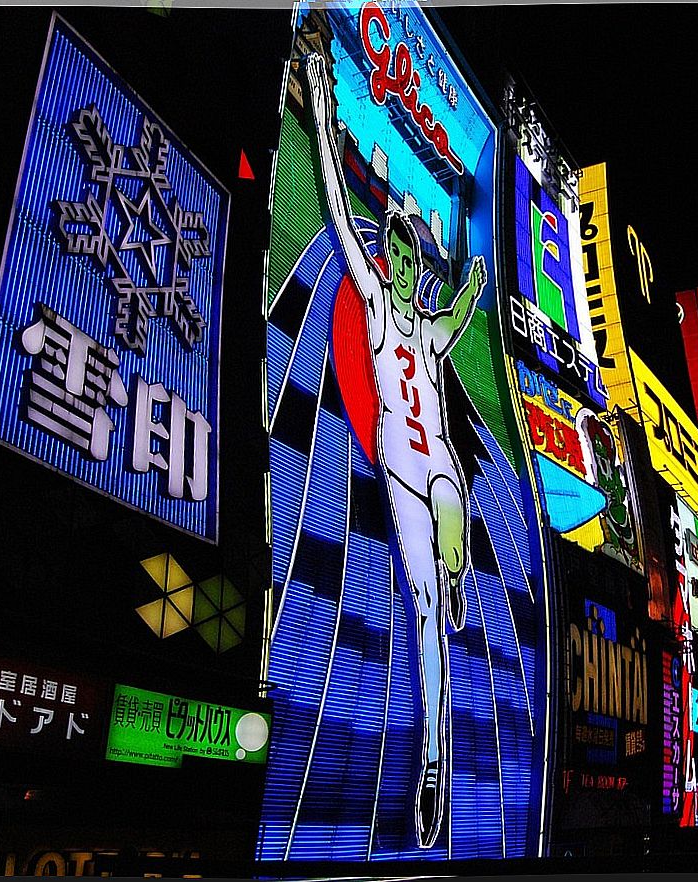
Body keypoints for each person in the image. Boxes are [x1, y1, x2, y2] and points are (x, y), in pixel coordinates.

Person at [303, 52, 487, 849]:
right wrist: (319, 107)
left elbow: (457, 318)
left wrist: (476, 290)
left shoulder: (429, 328)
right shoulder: (379, 306)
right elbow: (342, 216)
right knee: (427, 626)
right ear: (393, 260)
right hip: (403, 473)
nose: (407, 267)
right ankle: (436, 766)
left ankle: (454, 570)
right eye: (402, 255)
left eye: (417, 259)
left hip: (439, 469)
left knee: (455, 510)